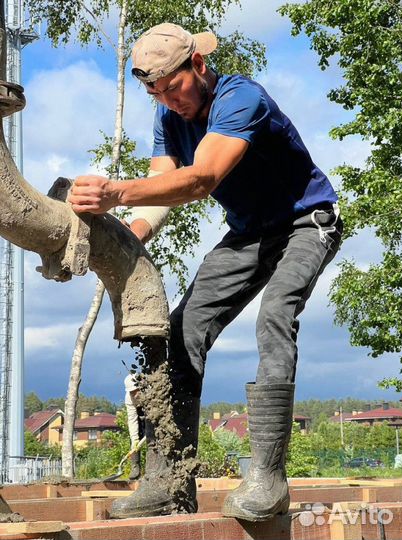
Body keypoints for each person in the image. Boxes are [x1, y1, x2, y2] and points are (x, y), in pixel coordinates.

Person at [69, 23, 343, 521]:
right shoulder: (168, 116)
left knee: (274, 316)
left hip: (306, 223)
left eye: (174, 90)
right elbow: (161, 189)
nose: (170, 103)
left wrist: (113, 191)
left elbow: (201, 179)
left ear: (197, 66)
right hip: (249, 235)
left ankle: (267, 478)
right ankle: (169, 482)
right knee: (179, 332)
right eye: (157, 94)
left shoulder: (242, 98)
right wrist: (118, 239)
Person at [124, 373, 144, 480]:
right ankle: (135, 467)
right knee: (134, 441)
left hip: (152, 411)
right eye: (132, 392)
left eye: (136, 391)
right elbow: (132, 420)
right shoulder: (129, 398)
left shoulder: (150, 389)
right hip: (139, 415)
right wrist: (135, 439)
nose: (135, 394)